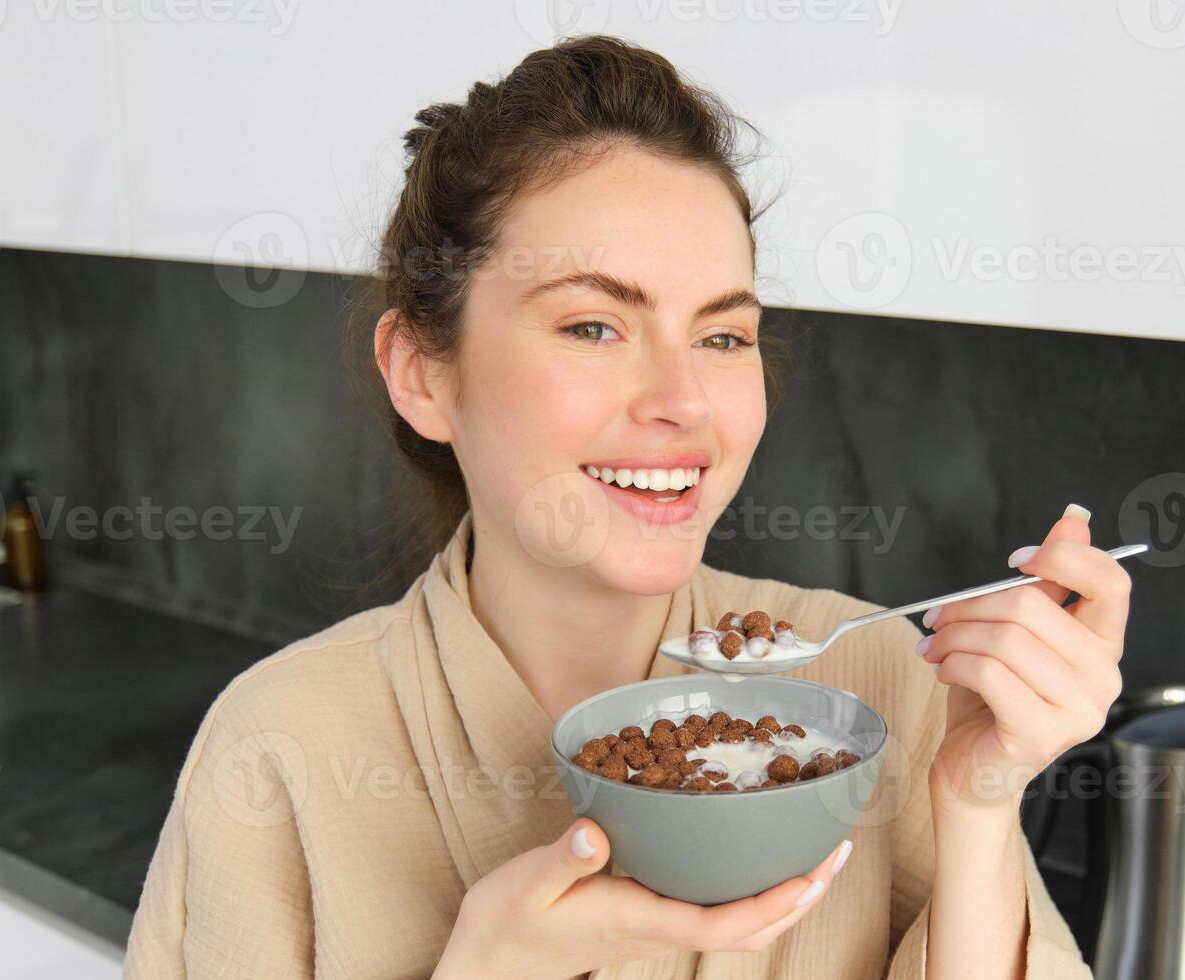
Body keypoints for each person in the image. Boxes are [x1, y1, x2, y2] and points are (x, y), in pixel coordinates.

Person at [122, 35, 1131, 980]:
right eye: (594, 325)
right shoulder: (275, 750)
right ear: (423, 372)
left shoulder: (873, 686)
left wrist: (978, 797)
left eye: (723, 337)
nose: (682, 400)